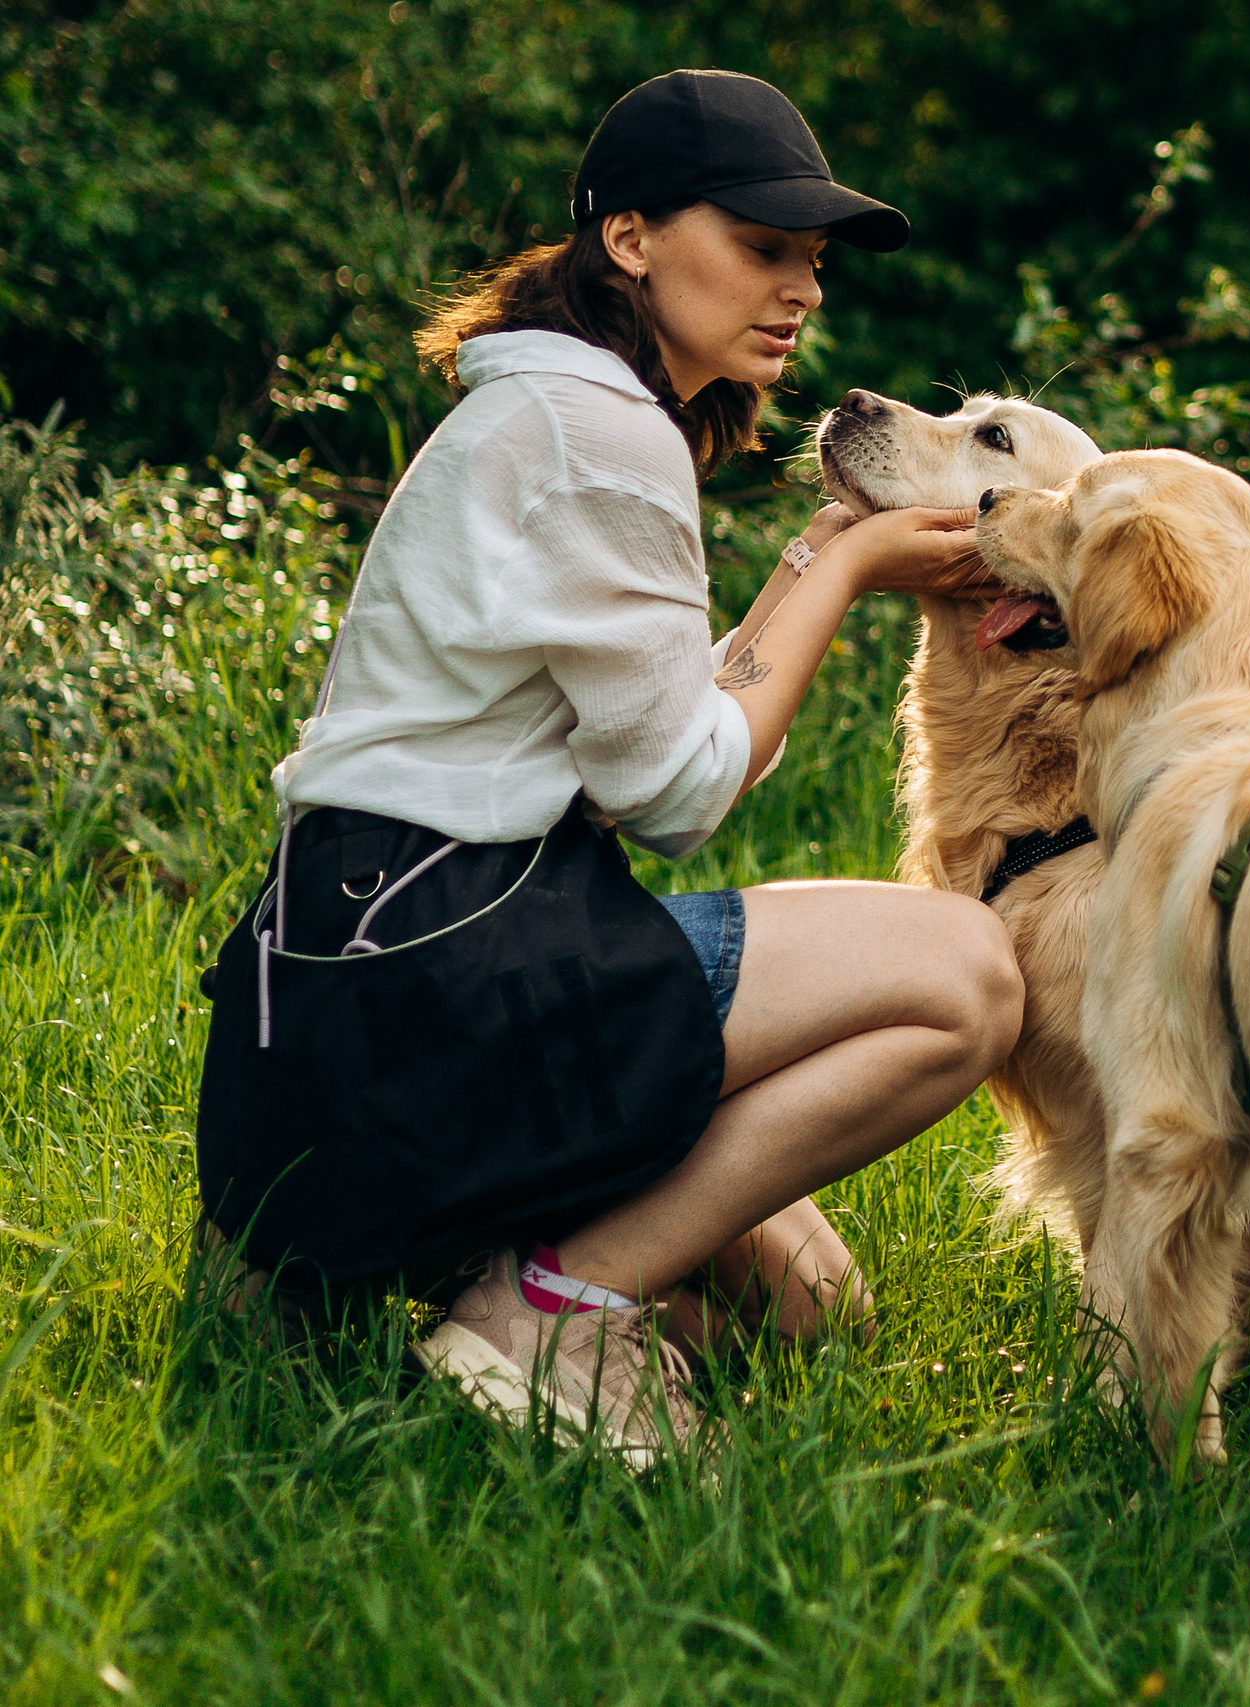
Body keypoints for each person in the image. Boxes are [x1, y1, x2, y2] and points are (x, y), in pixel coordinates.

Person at [192, 70, 1022, 1464]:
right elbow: (679, 797)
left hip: (352, 995)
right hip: (436, 982)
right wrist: (842, 569)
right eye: (761, 247)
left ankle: (487, 1267)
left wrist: (815, 563)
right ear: (628, 237)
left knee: (812, 1307)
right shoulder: (601, 433)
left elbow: (666, 729)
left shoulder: (556, 415)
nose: (800, 290)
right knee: (968, 974)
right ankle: (548, 1313)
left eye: (812, 261)